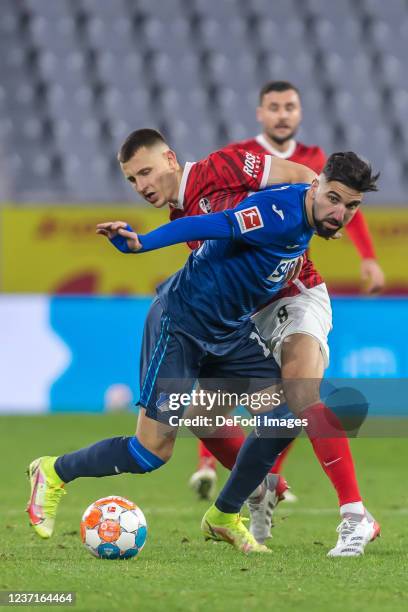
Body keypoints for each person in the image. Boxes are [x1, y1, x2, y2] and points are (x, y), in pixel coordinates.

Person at [26, 148, 379, 556]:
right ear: (316, 186)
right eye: (333, 199)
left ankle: (225, 514)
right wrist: (143, 243)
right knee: (150, 452)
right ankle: (53, 471)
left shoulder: (309, 216)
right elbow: (215, 223)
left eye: (350, 206)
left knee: (287, 412)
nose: (339, 213)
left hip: (229, 334)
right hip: (180, 326)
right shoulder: (277, 211)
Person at [191, 80, 385, 505]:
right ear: (261, 113)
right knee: (215, 407)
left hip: (290, 290)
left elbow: (347, 208)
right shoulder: (243, 159)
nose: (282, 114)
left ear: (299, 113)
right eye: (274, 107)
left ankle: (339, 506)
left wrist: (367, 257)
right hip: (244, 299)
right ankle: (247, 476)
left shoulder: (317, 162)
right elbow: (218, 218)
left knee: (296, 395)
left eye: (290, 107)